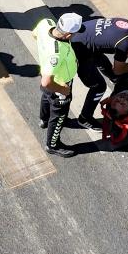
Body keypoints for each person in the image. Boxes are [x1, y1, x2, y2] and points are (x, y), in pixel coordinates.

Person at [68, 17, 128, 130]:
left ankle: (115, 79)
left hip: (82, 41)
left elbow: (126, 47)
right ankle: (84, 118)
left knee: (101, 59)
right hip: (76, 53)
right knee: (99, 87)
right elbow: (119, 68)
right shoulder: (125, 42)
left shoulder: (127, 25)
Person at [33, 13, 83, 158]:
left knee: (46, 96)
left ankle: (44, 119)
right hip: (59, 83)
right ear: (67, 35)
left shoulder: (45, 23)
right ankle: (52, 145)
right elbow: (47, 82)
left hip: (48, 75)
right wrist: (64, 90)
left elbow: (34, 34)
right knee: (59, 114)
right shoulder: (56, 52)